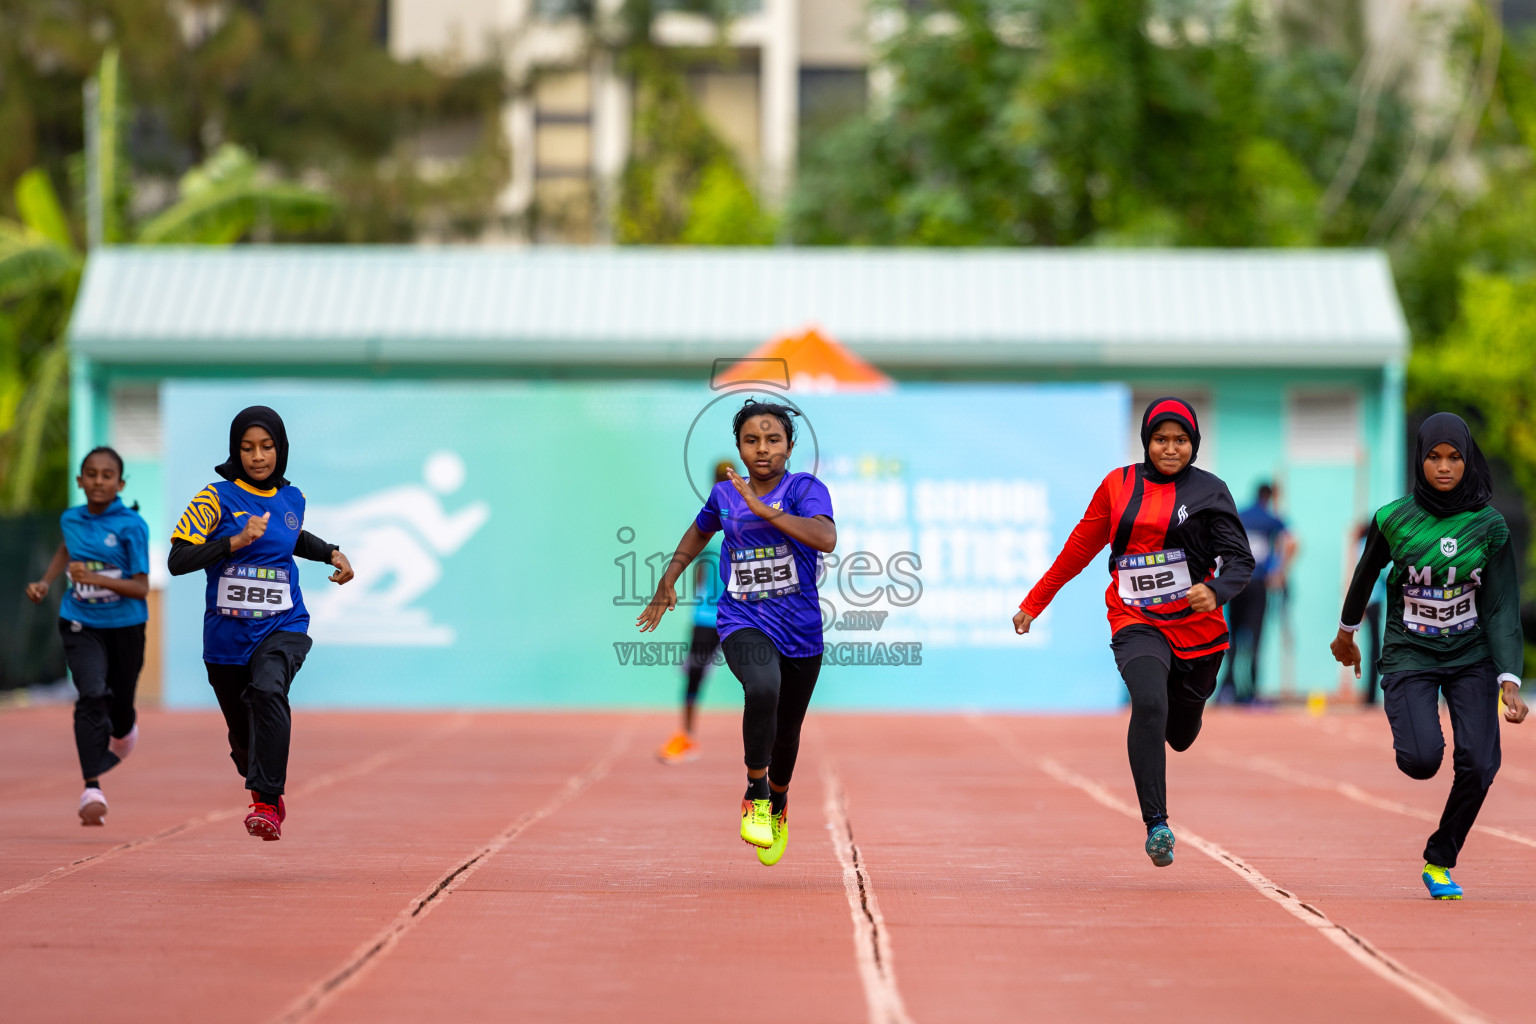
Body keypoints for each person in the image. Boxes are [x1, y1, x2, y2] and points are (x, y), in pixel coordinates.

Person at [1014, 398, 1254, 867]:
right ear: (1146, 441)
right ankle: (1157, 823)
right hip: (1134, 616)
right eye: (1160, 439)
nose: (1170, 448)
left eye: (1180, 440)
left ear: (1194, 444)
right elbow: (1077, 550)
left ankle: (1190, 707)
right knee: (1148, 701)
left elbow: (1240, 560)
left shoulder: (1211, 492)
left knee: (1181, 735)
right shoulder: (1118, 485)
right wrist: (1033, 603)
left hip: (1198, 627)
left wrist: (1217, 591)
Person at [1331, 413, 1527, 899]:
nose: (1444, 467)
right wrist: (1346, 633)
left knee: (1480, 764)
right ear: (1419, 461)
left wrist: (1509, 680)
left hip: (1471, 654)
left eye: (1454, 458)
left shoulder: (1489, 527)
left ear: (1468, 460)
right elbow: (1364, 575)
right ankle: (1414, 734)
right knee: (1420, 761)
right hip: (1409, 653)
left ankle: (1440, 859)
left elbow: (1501, 607)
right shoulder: (1393, 519)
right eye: (1433, 457)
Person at [638, 400, 835, 866]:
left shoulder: (806, 489)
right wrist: (669, 577)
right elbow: (698, 531)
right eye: (751, 440)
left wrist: (763, 511)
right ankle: (756, 789)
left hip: (801, 628)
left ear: (789, 446)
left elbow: (825, 539)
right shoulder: (725, 495)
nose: (762, 449)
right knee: (762, 686)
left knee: (788, 730)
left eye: (772, 440)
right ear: (739, 449)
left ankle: (780, 803)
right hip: (743, 619)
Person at [167, 406, 353, 841]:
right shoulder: (213, 499)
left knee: (269, 690)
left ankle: (266, 804)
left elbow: (292, 537)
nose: (258, 456)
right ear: (236, 451)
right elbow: (177, 560)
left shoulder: (293, 499)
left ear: (280, 449)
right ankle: (257, 773)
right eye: (248, 448)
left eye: (266, 446)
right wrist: (234, 541)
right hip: (227, 640)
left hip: (283, 626)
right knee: (244, 739)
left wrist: (332, 552)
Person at [25, 447, 150, 826]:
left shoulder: (132, 526)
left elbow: (142, 588)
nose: (98, 481)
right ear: (80, 481)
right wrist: (46, 583)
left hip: (126, 626)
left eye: (107, 475)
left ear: (120, 483)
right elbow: (67, 549)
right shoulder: (70, 519)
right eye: (91, 474)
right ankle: (91, 788)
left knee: (120, 707)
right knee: (91, 694)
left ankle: (125, 731)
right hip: (80, 622)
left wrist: (94, 578)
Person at [656, 461, 733, 766]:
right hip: (706, 613)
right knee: (694, 674)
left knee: (760, 678)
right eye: (718, 479)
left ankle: (767, 745)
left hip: (742, 612)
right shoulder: (702, 518)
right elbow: (697, 560)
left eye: (728, 478)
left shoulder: (749, 516)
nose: (722, 485)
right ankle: (686, 736)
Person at [1217, 482, 1296, 703]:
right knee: (1256, 638)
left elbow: (1223, 542)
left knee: (1232, 636)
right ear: (1269, 497)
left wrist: (1225, 574)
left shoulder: (1240, 515)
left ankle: (1227, 689)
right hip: (1258, 583)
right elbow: (1292, 543)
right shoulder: (1272, 519)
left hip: (1235, 583)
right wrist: (1279, 571)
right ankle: (1250, 691)